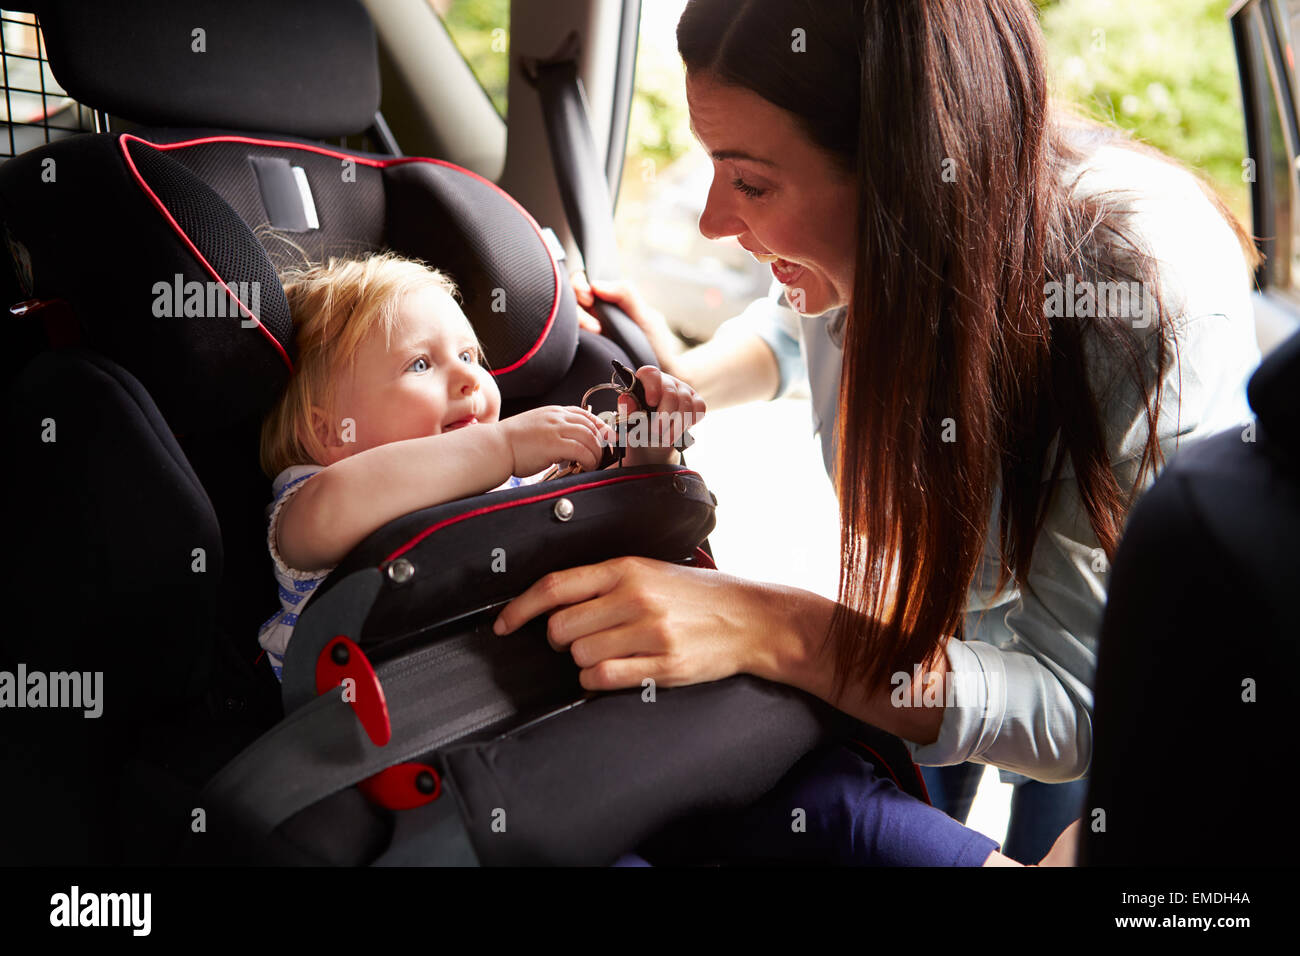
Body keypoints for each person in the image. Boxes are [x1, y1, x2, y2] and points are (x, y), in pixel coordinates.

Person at [493, 0, 1262, 862]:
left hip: (1098, 661)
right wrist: (671, 385)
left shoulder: (1138, 305)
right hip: (933, 609)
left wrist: (771, 626)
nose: (713, 220)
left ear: (900, 180)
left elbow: (1072, 699)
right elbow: (792, 323)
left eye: (749, 182)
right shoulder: (862, 247)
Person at [254, 252, 697, 681]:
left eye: (468, 356)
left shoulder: (513, 482)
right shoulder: (311, 500)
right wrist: (502, 445)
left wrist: (647, 455)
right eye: (420, 364)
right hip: (366, 726)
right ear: (332, 432)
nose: (469, 377)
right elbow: (337, 507)